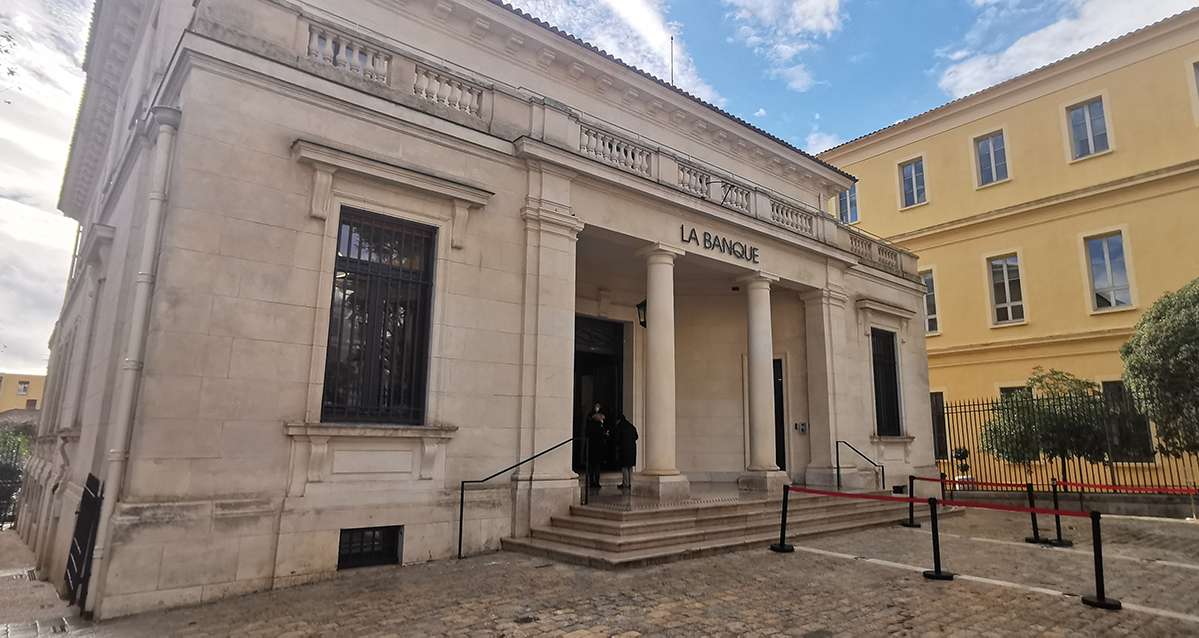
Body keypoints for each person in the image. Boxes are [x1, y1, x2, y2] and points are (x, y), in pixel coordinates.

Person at [584, 402, 607, 489]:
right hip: (596, 449)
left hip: (592, 448)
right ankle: (595, 482)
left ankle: (592, 482)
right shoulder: (599, 427)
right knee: (596, 467)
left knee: (592, 467)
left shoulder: (591, 425)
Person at [614, 414, 638, 491]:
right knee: (630, 467)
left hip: (624, 449)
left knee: (624, 467)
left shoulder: (620, 427)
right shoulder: (631, 426)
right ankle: (630, 483)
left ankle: (625, 483)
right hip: (632, 449)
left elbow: (617, 438)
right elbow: (636, 436)